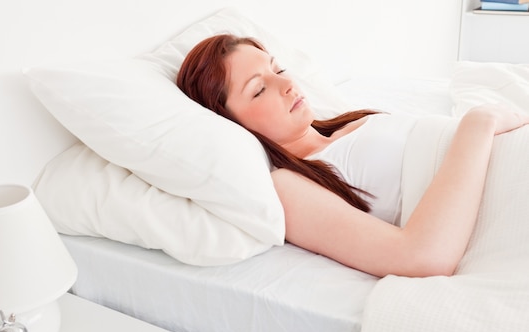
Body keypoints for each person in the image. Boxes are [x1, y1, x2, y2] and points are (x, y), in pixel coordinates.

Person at [177, 34, 529, 278]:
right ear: (230, 124)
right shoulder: (289, 185)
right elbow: (421, 257)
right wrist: (478, 124)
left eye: (278, 69)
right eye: (259, 89)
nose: (288, 85)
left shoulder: (350, 122)